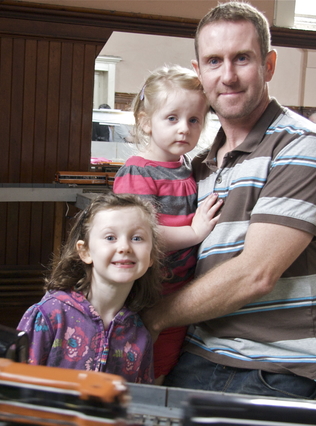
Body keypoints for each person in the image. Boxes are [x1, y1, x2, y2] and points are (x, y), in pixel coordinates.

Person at [140, 1, 316, 400]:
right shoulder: (199, 166)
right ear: (199, 73)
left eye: (242, 59)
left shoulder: (303, 145)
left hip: (272, 365)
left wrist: (153, 318)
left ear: (268, 65)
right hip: (194, 348)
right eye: (214, 61)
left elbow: (256, 274)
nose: (228, 76)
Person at [113, 65, 222, 384]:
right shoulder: (138, 172)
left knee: (164, 364)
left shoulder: (188, 167)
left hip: (179, 290)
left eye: (194, 120)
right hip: (144, 291)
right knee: (136, 364)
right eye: (172, 118)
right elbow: (137, 233)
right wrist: (195, 233)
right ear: (146, 123)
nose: (184, 129)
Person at [17, 192, 164, 383]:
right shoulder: (50, 315)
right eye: (110, 237)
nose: (125, 247)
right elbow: (13, 387)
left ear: (151, 255)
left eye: (137, 238)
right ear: (85, 251)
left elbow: (138, 402)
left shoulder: (139, 335)